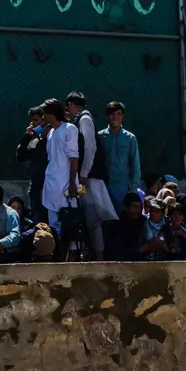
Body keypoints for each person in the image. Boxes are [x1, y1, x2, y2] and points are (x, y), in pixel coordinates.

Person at [66, 92, 119, 258]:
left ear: (71, 105)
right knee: (91, 219)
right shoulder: (80, 120)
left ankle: (101, 254)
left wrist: (83, 173)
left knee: (95, 219)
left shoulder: (85, 120)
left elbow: (90, 147)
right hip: (88, 177)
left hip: (91, 178)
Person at [39, 98, 82, 252]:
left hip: (65, 187)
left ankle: (72, 257)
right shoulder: (50, 133)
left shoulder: (69, 129)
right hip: (51, 186)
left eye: (45, 112)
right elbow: (51, 161)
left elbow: (73, 158)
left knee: (70, 224)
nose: (43, 115)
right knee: (54, 226)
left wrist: (72, 183)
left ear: (52, 113)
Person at [97, 102, 144, 210]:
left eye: (119, 114)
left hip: (123, 188)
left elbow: (135, 165)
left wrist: (133, 190)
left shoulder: (130, 138)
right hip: (104, 186)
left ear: (122, 116)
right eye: (112, 114)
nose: (115, 117)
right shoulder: (100, 136)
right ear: (107, 116)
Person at [105, 189, 168, 261]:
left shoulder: (143, 221)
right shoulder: (116, 226)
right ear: (125, 207)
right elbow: (116, 252)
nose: (138, 210)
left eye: (139, 207)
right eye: (134, 207)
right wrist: (141, 249)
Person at [15, 105, 51, 220]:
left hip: (48, 188)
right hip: (35, 188)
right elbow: (20, 156)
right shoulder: (35, 141)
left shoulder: (53, 140)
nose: (33, 123)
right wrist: (27, 136)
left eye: (36, 120)